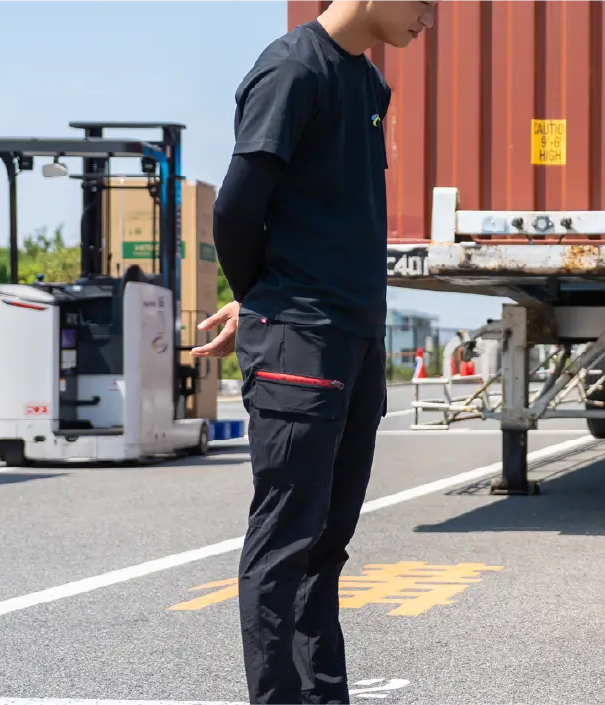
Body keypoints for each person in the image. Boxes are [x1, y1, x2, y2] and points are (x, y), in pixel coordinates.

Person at [191, 1, 440, 703]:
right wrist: (268, 300)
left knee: (325, 548)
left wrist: (270, 296)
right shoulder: (292, 70)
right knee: (285, 547)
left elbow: (320, 214)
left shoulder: (365, 82)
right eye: (423, 1)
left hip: (353, 339)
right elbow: (236, 211)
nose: (429, 17)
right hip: (302, 340)